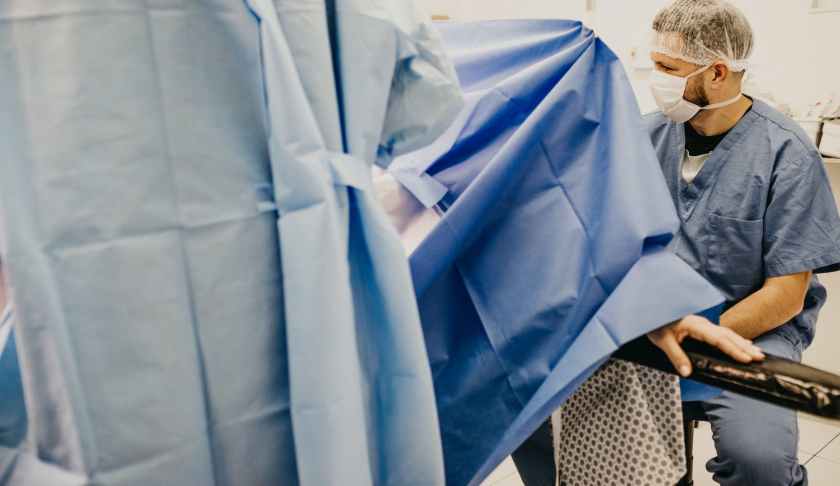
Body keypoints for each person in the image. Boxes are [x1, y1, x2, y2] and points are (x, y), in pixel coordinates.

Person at [645, 1, 840, 485]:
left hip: (754, 329)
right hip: (654, 320)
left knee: (760, 461)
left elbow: (786, 293)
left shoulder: (786, 152)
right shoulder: (646, 134)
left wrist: (701, 334)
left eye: (667, 68)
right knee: (565, 425)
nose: (656, 78)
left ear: (716, 72)